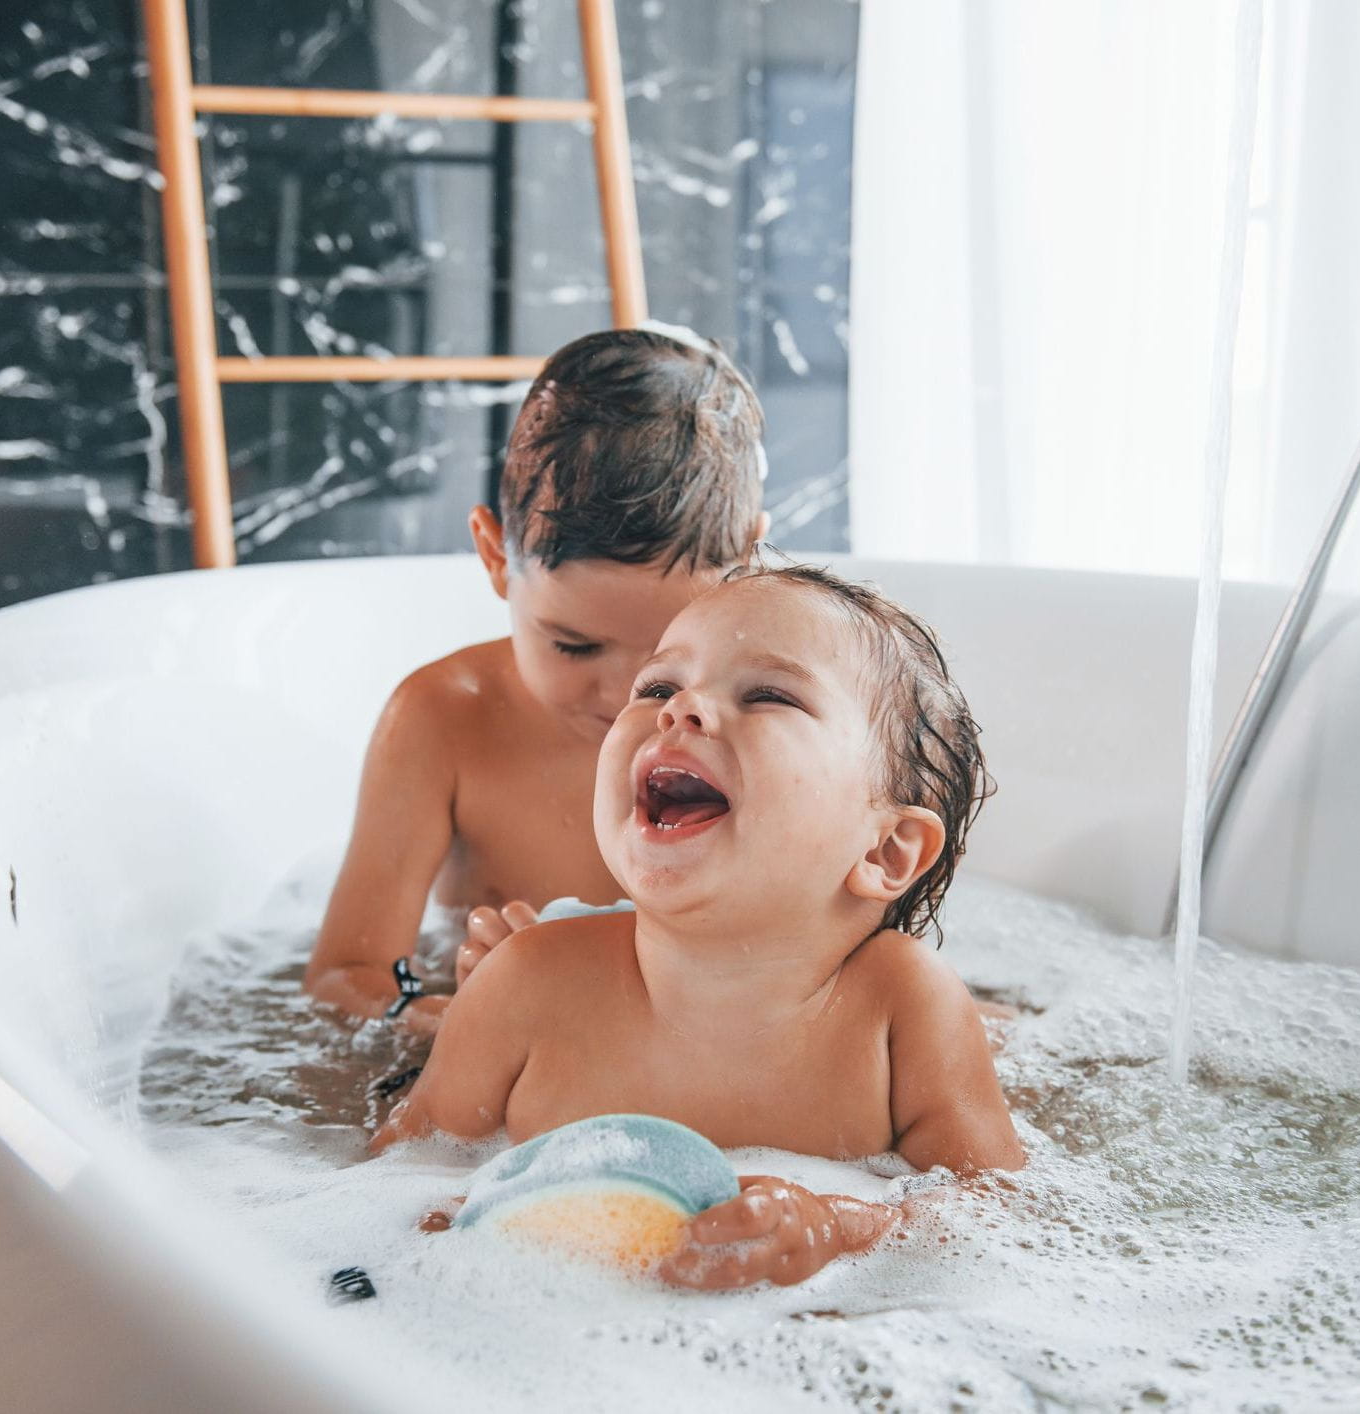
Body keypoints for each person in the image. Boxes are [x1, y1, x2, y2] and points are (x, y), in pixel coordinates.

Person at [371, 563, 1025, 1288]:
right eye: (657, 687)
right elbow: (388, 1182)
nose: (678, 711)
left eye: (768, 694)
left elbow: (994, 1211)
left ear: (884, 850)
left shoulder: (900, 1008)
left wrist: (838, 1226)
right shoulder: (528, 983)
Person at [304, 328, 769, 1030]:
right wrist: (444, 1017)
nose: (624, 697)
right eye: (575, 646)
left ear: (750, 565)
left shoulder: (781, 725)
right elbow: (346, 976)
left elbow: (831, 948)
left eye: (666, 658)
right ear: (495, 558)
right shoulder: (443, 721)